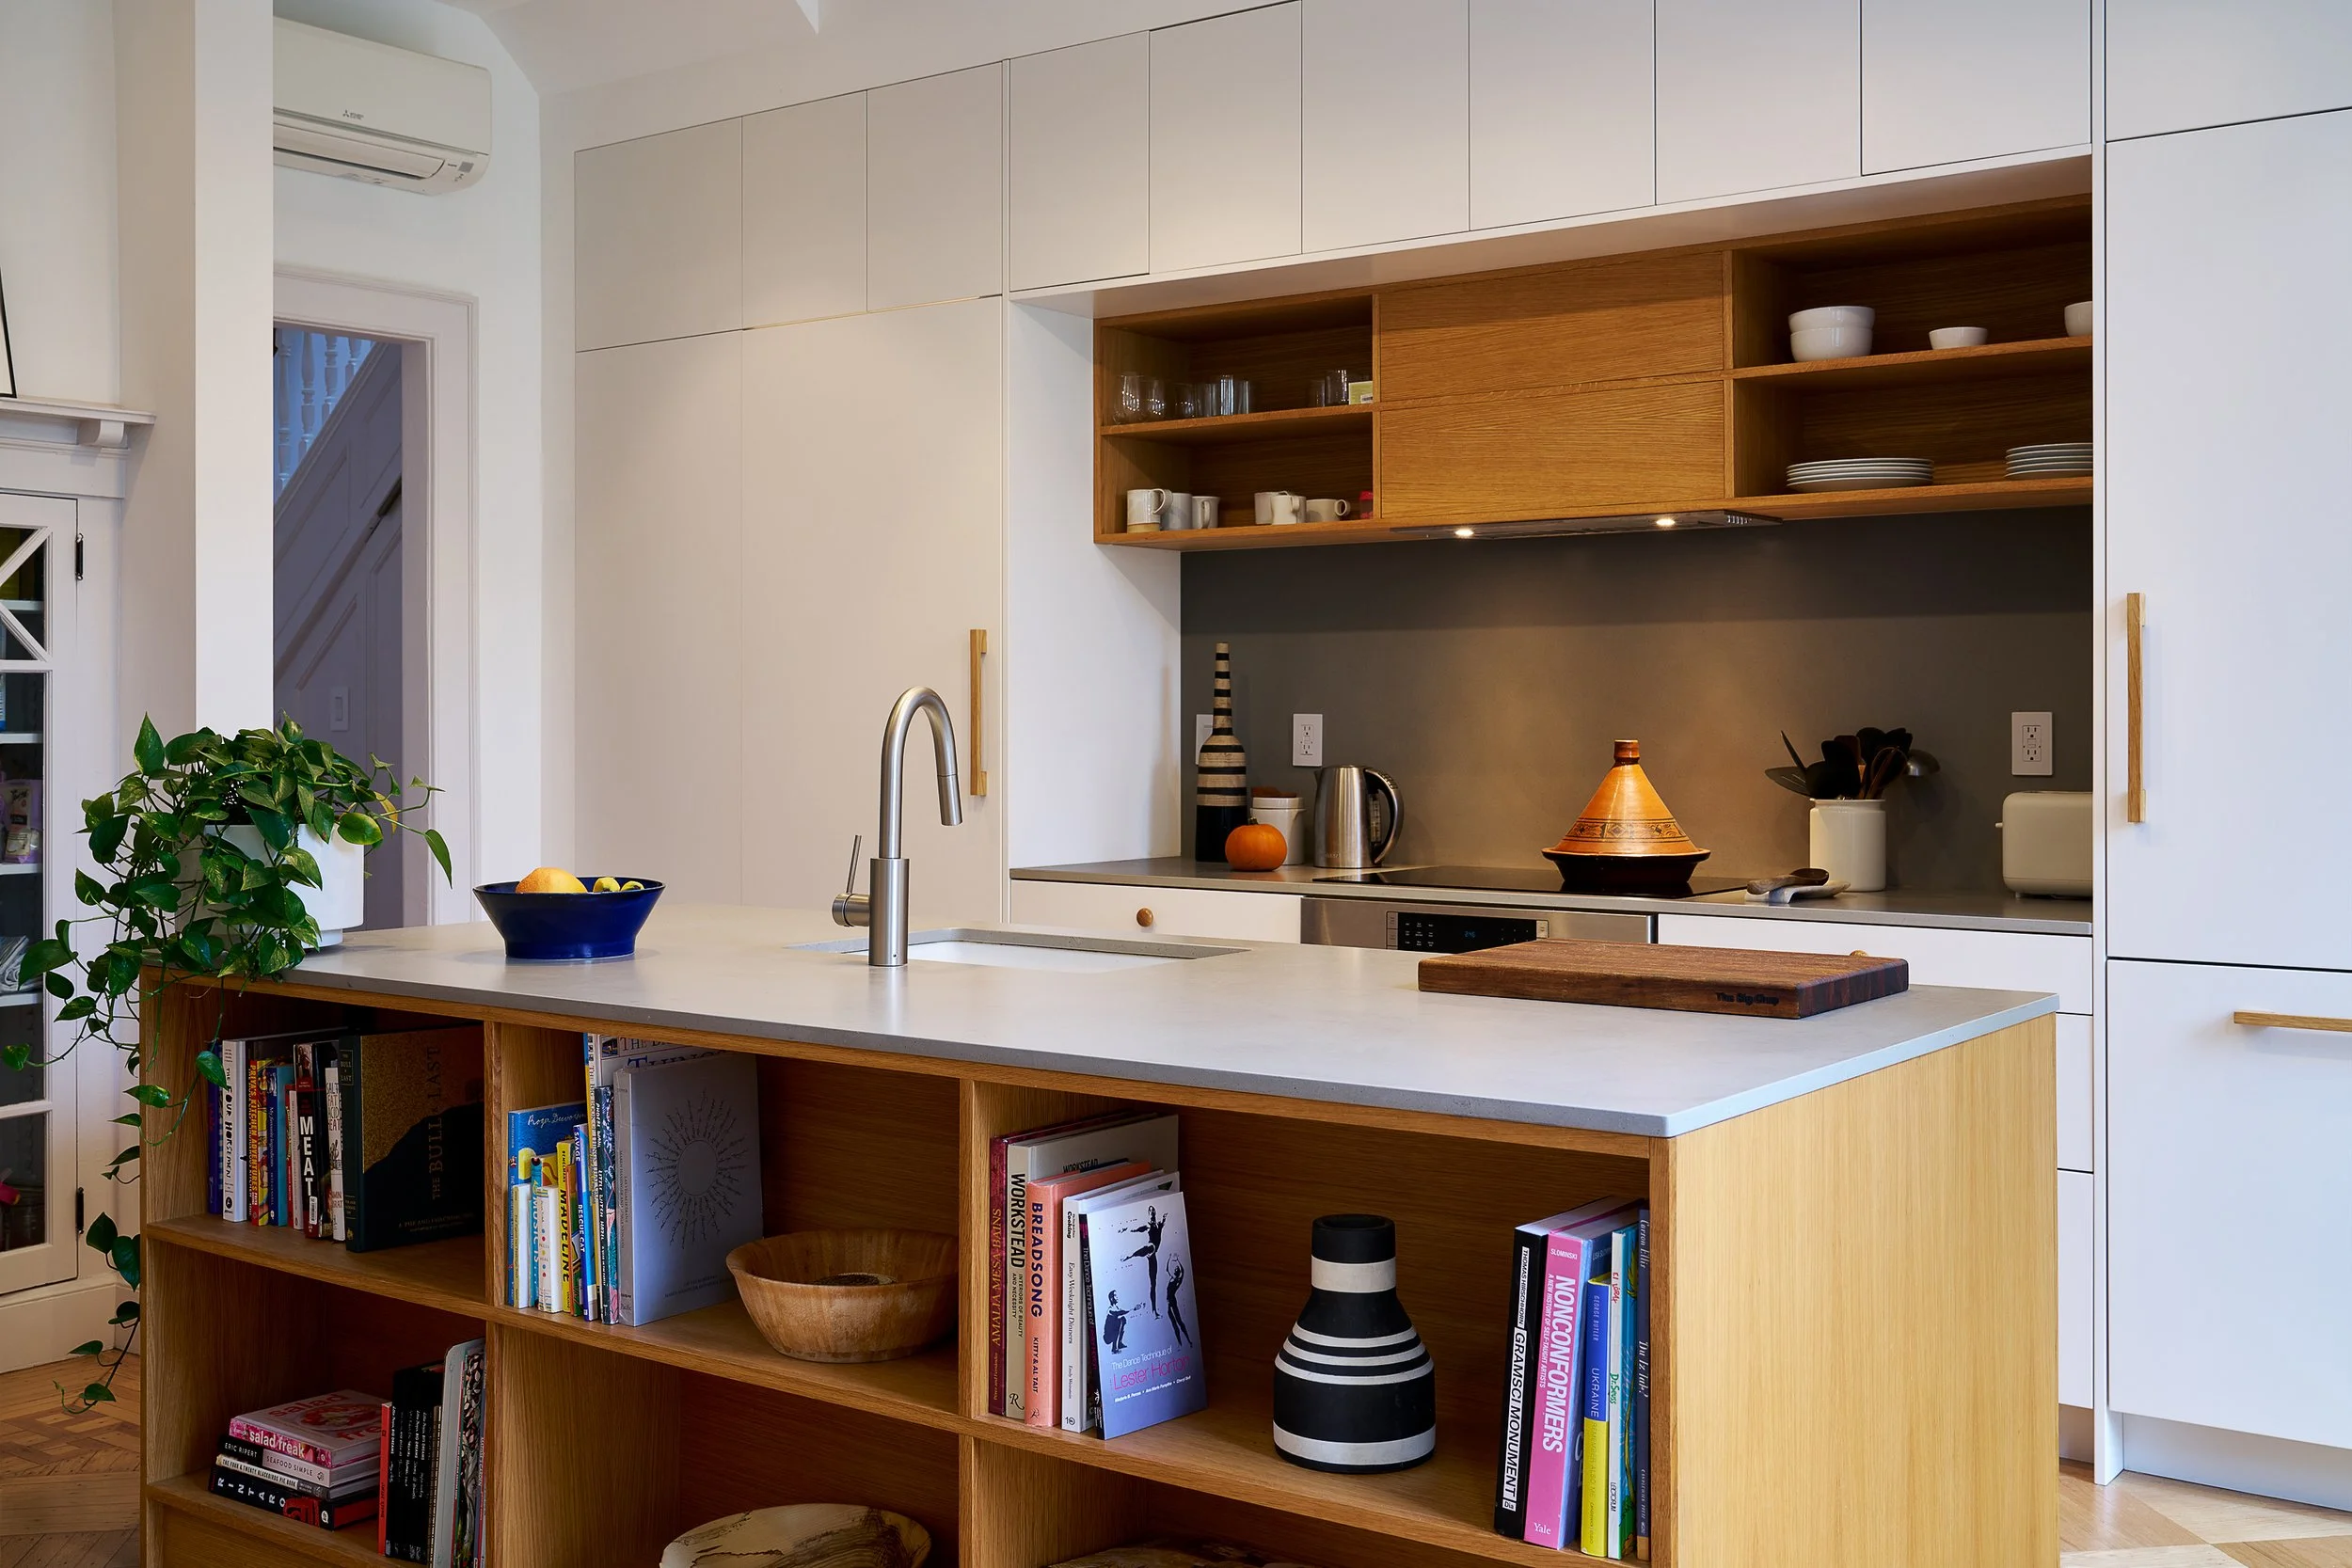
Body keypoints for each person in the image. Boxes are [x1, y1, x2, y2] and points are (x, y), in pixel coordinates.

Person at [1119, 1204, 1169, 1316]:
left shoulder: (1159, 1224)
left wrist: (1165, 1217)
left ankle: (1154, 1311)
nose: (1151, 1213)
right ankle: (1129, 1256)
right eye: (1150, 1211)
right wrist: (1128, 1230)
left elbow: (1162, 1225)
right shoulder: (1148, 1226)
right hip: (1150, 1248)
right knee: (1149, 1247)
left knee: (1153, 1284)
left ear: (1155, 1213)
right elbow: (1139, 1229)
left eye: (1153, 1211)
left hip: (1153, 1255)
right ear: (1148, 1214)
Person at [1165, 1256, 1191, 1347]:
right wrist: (1169, 1258)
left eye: (1177, 1269)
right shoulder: (1172, 1278)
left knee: (1179, 1322)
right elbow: (1167, 1269)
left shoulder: (1178, 1280)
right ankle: (1180, 1344)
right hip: (1169, 1303)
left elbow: (1183, 1271)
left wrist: (1179, 1261)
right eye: (1175, 1268)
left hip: (1172, 1302)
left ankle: (1188, 1341)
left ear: (1178, 1272)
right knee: (1174, 1323)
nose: (1175, 1269)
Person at [1101, 1290, 1133, 1354]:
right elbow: (1118, 1313)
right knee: (1118, 1321)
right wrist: (1132, 1310)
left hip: (1114, 1333)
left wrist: (1133, 1309)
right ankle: (1114, 1348)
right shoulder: (1110, 1309)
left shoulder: (1117, 1308)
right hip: (1108, 1336)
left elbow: (1122, 1312)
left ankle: (1119, 1343)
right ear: (1112, 1299)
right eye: (1115, 1296)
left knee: (1123, 1319)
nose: (1117, 1297)